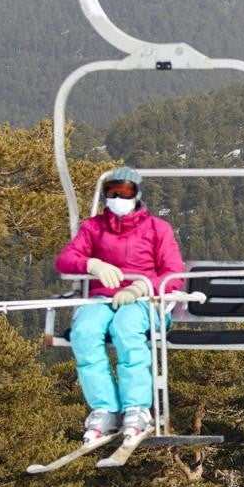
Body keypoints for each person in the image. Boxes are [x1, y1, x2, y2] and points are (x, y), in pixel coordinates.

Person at [55, 166, 184, 443]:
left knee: (127, 329)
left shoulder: (156, 229)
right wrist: (91, 263)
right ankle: (105, 408)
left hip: (147, 300)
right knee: (84, 332)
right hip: (104, 298)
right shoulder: (93, 228)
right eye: (112, 192)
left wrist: (142, 286)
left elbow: (174, 273)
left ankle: (136, 408)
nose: (118, 197)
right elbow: (65, 260)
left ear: (137, 194)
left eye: (125, 191)